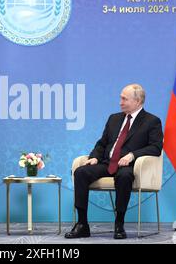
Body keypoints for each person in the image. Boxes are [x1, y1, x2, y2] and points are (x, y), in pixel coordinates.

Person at [65, 84, 163, 240]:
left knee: (124, 177)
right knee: (81, 172)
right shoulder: (114, 118)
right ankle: (82, 224)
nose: (120, 102)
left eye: (124, 99)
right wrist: (94, 157)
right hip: (106, 163)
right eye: (121, 98)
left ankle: (119, 223)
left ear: (137, 101)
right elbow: (102, 143)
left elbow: (156, 147)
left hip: (129, 166)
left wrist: (132, 155)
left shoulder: (152, 121)